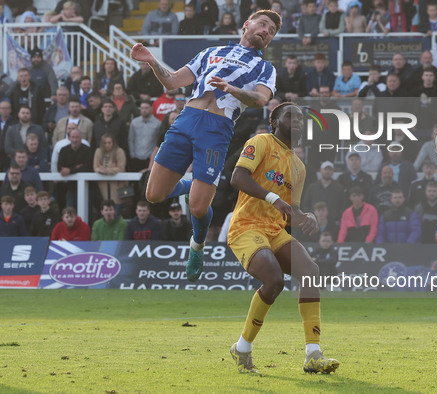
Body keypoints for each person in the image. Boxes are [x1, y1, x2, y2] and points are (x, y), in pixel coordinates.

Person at [131, 9, 282, 280]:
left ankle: (197, 245)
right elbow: (173, 81)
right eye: (263, 24)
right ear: (247, 24)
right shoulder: (211, 52)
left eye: (271, 31)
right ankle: (193, 185)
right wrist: (152, 61)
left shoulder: (265, 68)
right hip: (187, 119)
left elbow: (260, 100)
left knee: (199, 208)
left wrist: (232, 89)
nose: (265, 31)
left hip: (217, 129)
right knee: (153, 195)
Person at [227, 103, 339, 374]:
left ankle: (313, 354)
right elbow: (237, 177)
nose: (298, 121)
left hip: (275, 230)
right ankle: (242, 347)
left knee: (310, 272)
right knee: (274, 279)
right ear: (274, 121)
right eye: (291, 116)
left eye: (301, 118)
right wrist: (273, 197)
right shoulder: (261, 142)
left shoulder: (298, 166)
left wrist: (305, 217)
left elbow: (290, 211)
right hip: (247, 227)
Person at [57, 128, 93, 209]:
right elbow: (60, 168)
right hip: (70, 187)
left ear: (81, 138)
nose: (75, 140)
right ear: (69, 138)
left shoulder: (88, 150)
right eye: (73, 137)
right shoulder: (64, 150)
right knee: (69, 210)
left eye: (77, 137)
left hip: (86, 187)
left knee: (86, 210)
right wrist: (77, 168)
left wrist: (70, 170)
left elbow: (88, 168)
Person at [93, 133, 127, 212]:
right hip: (103, 186)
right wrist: (100, 170)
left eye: (109, 143)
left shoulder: (119, 151)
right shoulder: (98, 151)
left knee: (116, 210)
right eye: (105, 143)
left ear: (113, 143)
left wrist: (107, 170)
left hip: (117, 186)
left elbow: (121, 168)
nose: (107, 145)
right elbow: (96, 167)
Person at [128, 100, 160, 173]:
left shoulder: (158, 123)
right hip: (136, 158)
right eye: (142, 108)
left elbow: (158, 141)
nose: (144, 110)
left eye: (146, 108)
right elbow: (131, 139)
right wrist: (132, 155)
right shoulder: (134, 122)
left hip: (150, 158)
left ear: (151, 109)